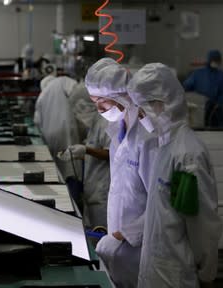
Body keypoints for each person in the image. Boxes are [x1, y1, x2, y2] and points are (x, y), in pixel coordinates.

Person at [128, 63, 222, 288]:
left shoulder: (187, 155)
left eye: (142, 111)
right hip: (156, 267)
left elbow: (201, 224)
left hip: (176, 274)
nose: (140, 117)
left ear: (160, 105)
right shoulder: (164, 145)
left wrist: (207, 273)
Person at [84, 57, 153, 288]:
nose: (99, 110)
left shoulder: (147, 138)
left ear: (120, 97)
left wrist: (121, 236)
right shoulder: (117, 132)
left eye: (101, 103)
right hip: (120, 246)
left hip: (141, 249)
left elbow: (161, 204)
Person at [58, 86, 110, 230]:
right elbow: (96, 151)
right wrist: (80, 155)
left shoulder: (107, 122)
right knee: (93, 234)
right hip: (92, 190)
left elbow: (112, 155)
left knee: (102, 233)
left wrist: (86, 150)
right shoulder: (96, 120)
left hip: (103, 192)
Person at [33, 76, 84, 182]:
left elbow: (37, 122)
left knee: (58, 167)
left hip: (49, 136)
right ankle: (74, 191)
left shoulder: (41, 97)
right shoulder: (61, 81)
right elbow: (79, 93)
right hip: (67, 129)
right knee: (71, 165)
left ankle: (65, 188)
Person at [183, 49, 223, 127]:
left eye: (217, 60)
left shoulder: (221, 75)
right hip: (201, 106)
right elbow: (186, 86)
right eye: (214, 60)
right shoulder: (199, 73)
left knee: (218, 130)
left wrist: (219, 102)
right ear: (209, 60)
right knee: (201, 127)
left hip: (216, 108)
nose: (215, 62)